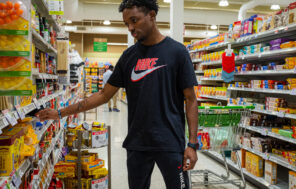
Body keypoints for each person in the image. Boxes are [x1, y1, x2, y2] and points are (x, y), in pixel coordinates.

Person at [36, 0, 199, 188]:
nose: (130, 28)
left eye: (134, 20)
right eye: (126, 23)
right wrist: (60, 113)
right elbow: (103, 95)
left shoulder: (177, 52)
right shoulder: (129, 56)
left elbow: (191, 99)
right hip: (137, 144)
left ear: (152, 16)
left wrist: (192, 144)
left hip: (171, 143)